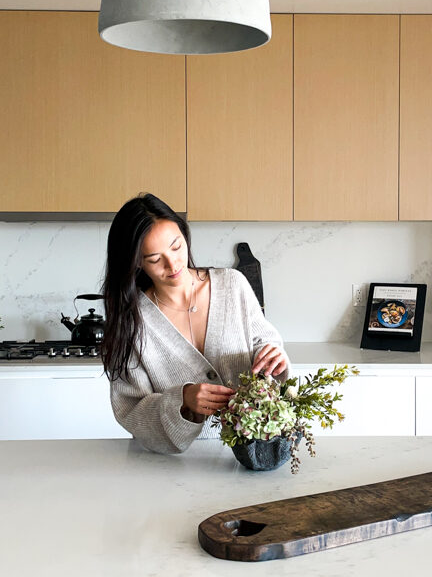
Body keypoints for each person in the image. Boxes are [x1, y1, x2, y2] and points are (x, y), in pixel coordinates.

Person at [101, 193, 290, 454]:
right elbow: (131, 409)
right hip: (172, 466)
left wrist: (274, 358)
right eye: (155, 259)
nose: (173, 264)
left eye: (177, 247)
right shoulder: (132, 322)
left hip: (250, 453)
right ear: (136, 264)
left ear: (184, 235)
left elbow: (264, 344)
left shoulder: (232, 285)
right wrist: (183, 400)